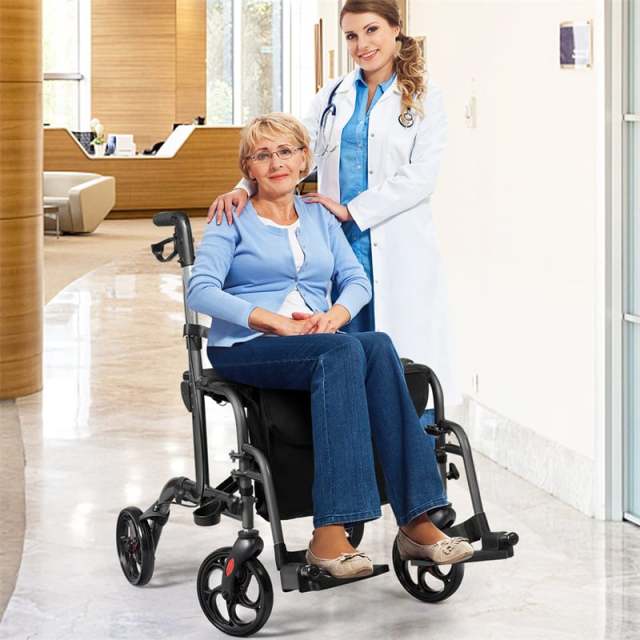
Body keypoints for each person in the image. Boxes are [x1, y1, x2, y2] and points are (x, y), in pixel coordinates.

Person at [187, 112, 473, 580]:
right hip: (247, 345)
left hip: (315, 341)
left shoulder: (320, 216)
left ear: (304, 159)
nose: (276, 163)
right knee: (342, 351)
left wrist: (334, 316)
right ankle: (330, 534)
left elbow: (356, 281)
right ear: (248, 168)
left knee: (376, 344)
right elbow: (200, 291)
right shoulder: (231, 217)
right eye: (262, 155)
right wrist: (275, 322)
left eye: (286, 151)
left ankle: (418, 520)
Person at [208, 0, 460, 424]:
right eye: (351, 36)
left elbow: (421, 176)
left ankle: (411, 444)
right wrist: (241, 188)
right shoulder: (332, 96)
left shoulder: (425, 96)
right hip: (340, 243)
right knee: (345, 353)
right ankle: (353, 443)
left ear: (396, 28)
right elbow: (289, 152)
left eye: (372, 30)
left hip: (395, 242)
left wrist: (350, 210)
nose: (362, 45)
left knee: (401, 357)